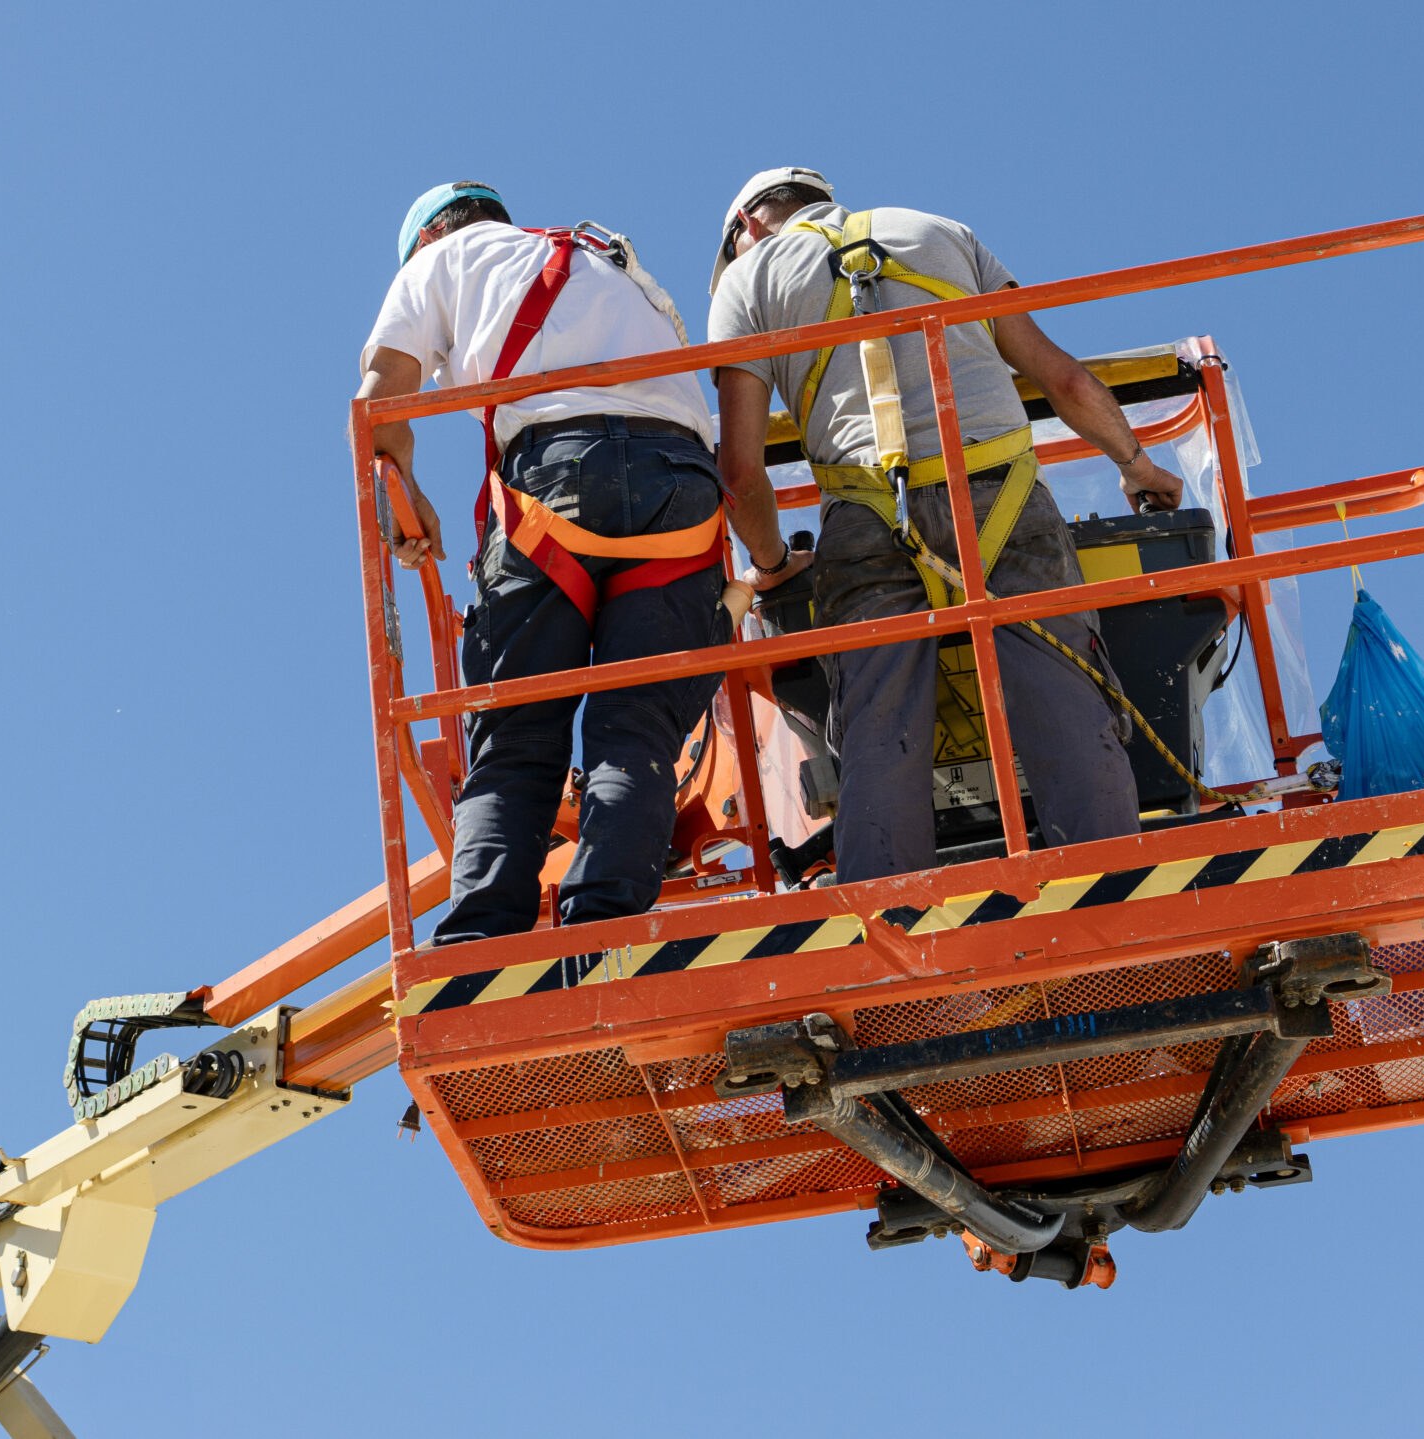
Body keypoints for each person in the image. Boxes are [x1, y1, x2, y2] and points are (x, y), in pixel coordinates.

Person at [706, 167, 1187, 882]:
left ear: (746, 229)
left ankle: (890, 935)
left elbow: (741, 474)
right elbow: (1065, 381)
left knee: (877, 734)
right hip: (1002, 492)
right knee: (1065, 702)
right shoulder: (939, 232)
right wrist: (1137, 463)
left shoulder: (748, 284)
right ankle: (1116, 902)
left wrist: (773, 565)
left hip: (867, 519)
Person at [358, 182, 801, 945]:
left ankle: (482, 944)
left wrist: (405, 502)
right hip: (680, 492)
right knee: (638, 729)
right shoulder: (613, 262)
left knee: (518, 731)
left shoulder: (440, 263)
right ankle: (606, 925)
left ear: (429, 238)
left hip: (557, 489)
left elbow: (380, 403)